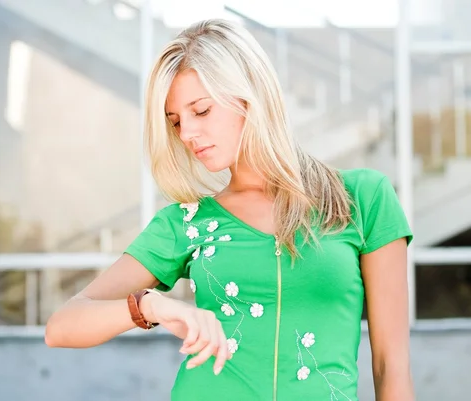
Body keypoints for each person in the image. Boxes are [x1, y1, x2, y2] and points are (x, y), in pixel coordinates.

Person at [45, 19, 414, 401]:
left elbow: (392, 368)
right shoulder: (187, 223)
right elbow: (62, 326)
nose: (187, 133)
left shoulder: (362, 200)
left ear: (247, 96)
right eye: (176, 122)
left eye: (200, 111)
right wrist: (154, 306)